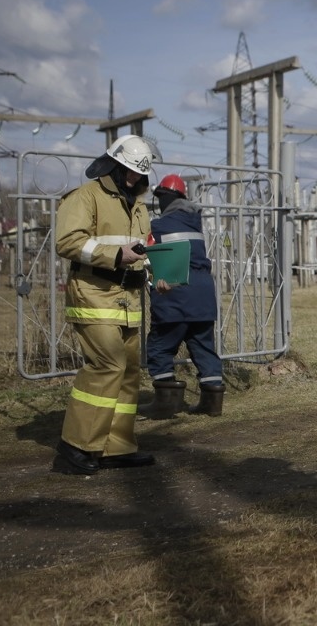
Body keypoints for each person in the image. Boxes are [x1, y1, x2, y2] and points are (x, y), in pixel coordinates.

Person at [53, 134, 160, 475]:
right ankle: (76, 447)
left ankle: (116, 447)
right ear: (113, 165)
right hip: (94, 294)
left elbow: (144, 250)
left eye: (139, 174)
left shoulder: (139, 206)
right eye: (128, 172)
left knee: (128, 373)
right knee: (106, 366)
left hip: (129, 298)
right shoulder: (86, 197)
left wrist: (159, 274)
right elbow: (68, 242)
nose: (134, 179)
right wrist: (114, 255)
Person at [139, 174, 225, 418]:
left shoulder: (158, 226)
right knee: (203, 347)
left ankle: (166, 403)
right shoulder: (194, 222)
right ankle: (212, 403)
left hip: (174, 295)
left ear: (165, 198)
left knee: (160, 347)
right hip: (203, 296)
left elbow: (144, 254)